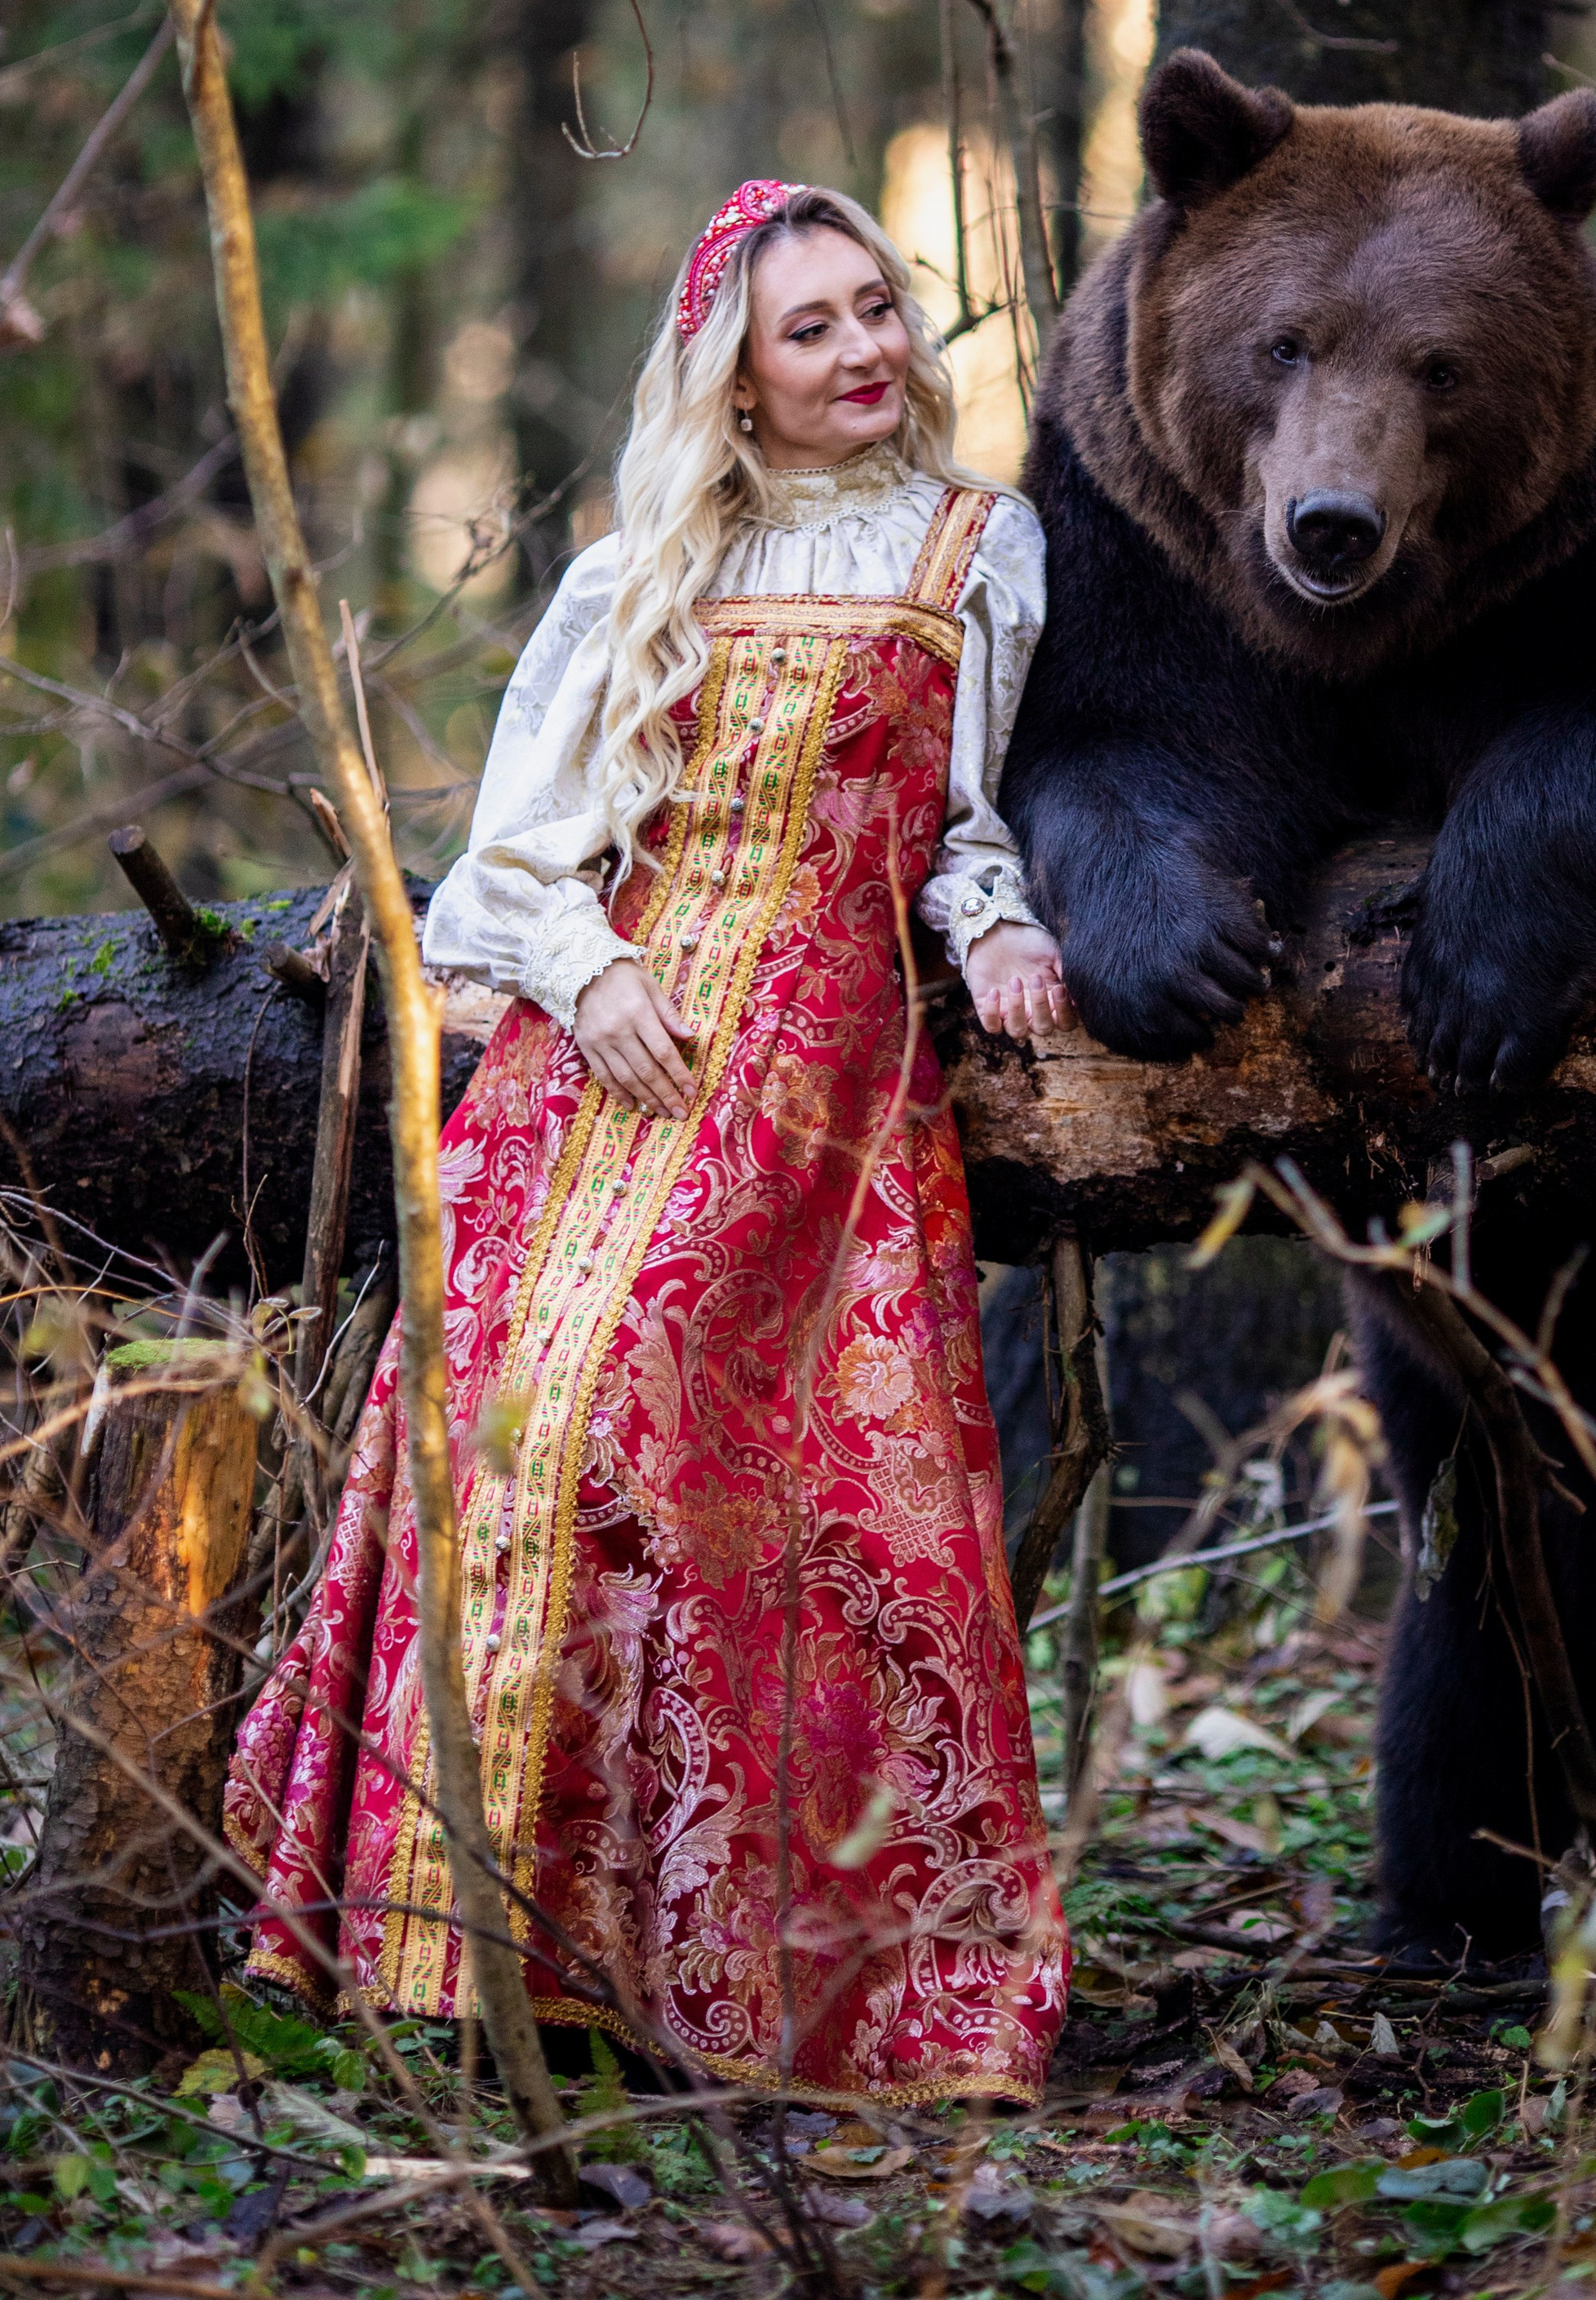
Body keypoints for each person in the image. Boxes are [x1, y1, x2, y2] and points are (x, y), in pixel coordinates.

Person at [225, 179, 1072, 2107]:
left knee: (688, 1443)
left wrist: (1003, 921)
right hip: (594, 1054)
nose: (868, 351)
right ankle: (449, 1958)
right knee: (507, 1421)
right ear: (736, 382)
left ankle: (711, 1977)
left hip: (819, 1081)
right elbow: (517, 848)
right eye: (814, 329)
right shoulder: (638, 575)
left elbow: (956, 820)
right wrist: (585, 966)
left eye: (880, 310)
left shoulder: (975, 545)